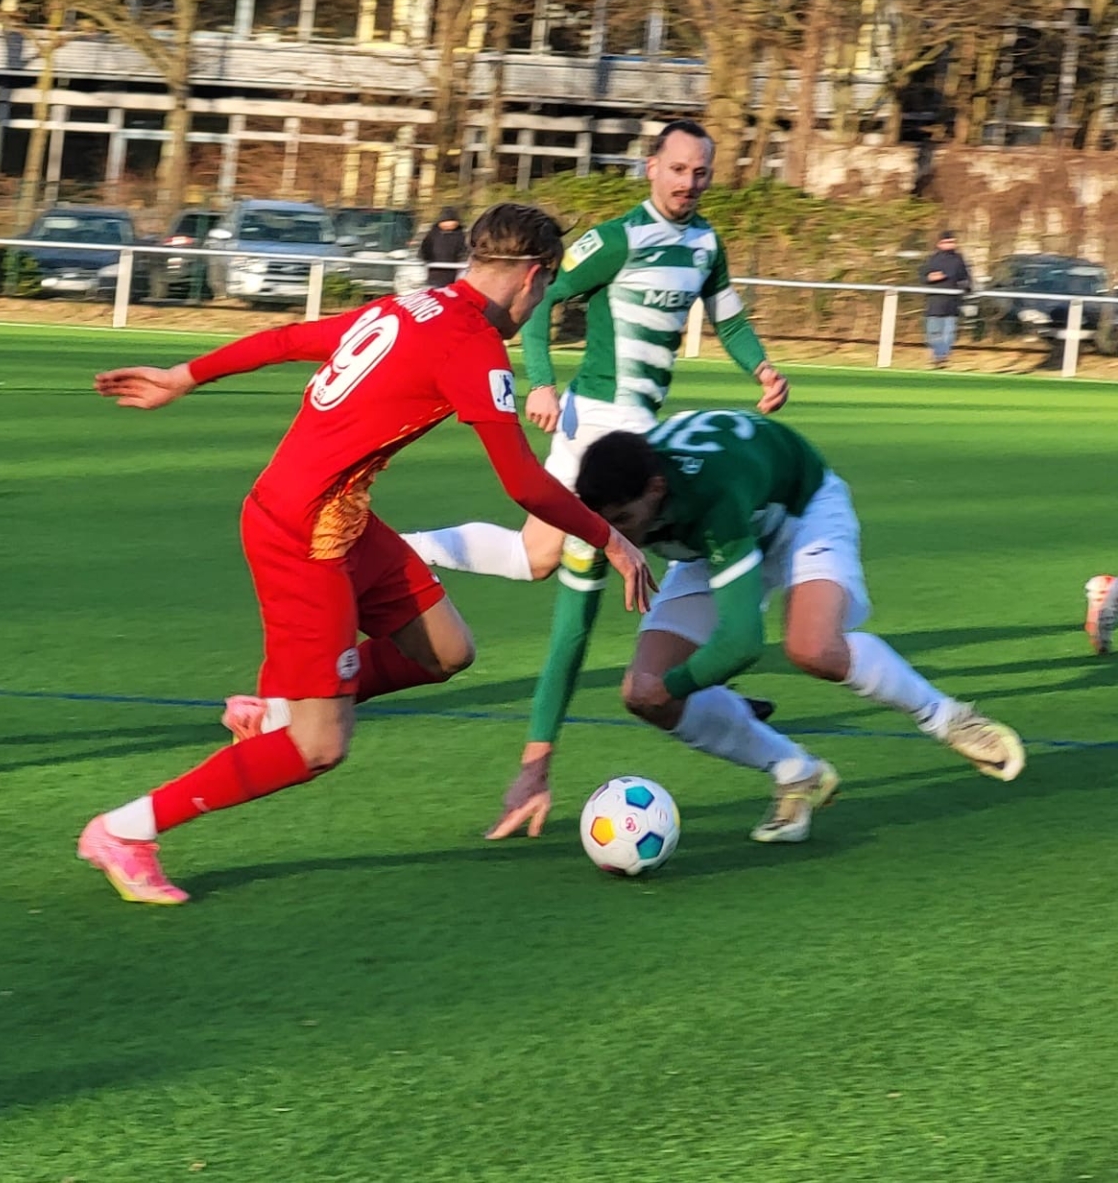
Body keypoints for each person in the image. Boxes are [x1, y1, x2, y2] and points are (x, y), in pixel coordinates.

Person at [75, 203, 655, 905]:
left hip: (336, 516)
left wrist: (185, 375)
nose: (542, 307)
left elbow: (290, 339)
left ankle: (281, 707)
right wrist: (611, 539)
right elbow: (523, 482)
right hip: (303, 534)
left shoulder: (413, 305)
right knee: (320, 747)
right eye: (548, 290)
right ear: (534, 276)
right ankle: (126, 830)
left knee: (445, 651)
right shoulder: (471, 344)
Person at [402, 119, 788, 838]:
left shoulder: (706, 244)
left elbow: (729, 319)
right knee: (584, 604)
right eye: (678, 168)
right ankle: (542, 759)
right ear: (651, 167)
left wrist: (760, 367)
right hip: (596, 435)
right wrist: (542, 382)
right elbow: (543, 299)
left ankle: (402, 548)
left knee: (536, 557)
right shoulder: (616, 239)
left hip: (637, 436)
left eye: (701, 172)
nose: (689, 182)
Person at [573, 411, 1024, 843]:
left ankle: (950, 719)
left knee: (814, 648)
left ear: (656, 489)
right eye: (602, 523)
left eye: (623, 521)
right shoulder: (612, 509)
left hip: (800, 514)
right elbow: (570, 630)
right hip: (719, 539)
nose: (613, 535)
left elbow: (741, 642)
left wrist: (677, 685)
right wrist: (541, 751)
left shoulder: (712, 493)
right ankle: (797, 774)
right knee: (641, 693)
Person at [920, 229, 971, 368]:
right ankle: (938, 355)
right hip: (935, 302)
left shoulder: (959, 259)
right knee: (933, 331)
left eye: (952, 242)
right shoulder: (932, 259)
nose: (950, 244)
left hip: (952, 302)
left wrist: (966, 287)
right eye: (947, 242)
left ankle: (942, 357)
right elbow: (922, 276)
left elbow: (966, 278)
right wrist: (930, 277)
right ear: (940, 244)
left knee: (949, 332)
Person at [419, 205, 469, 288]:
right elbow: (424, 249)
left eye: (451, 221)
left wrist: (462, 261)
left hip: (454, 272)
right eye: (446, 221)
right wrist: (425, 257)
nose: (448, 224)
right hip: (435, 271)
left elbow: (465, 251)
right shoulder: (433, 234)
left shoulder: (461, 235)